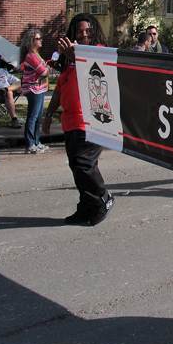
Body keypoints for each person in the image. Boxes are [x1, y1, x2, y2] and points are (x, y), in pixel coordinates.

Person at [42, 13, 115, 226]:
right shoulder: (68, 59)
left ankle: (103, 198)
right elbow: (58, 90)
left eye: (87, 30)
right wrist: (48, 114)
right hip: (70, 120)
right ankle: (87, 207)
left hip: (93, 119)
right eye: (79, 31)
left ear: (95, 31)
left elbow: (96, 72)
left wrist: (73, 56)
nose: (83, 34)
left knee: (84, 164)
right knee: (77, 165)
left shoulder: (100, 52)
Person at [19, 29, 50, 154]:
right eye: (38, 38)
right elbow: (43, 71)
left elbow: (44, 68)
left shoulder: (36, 54)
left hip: (40, 88)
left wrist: (46, 66)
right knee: (32, 117)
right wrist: (47, 67)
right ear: (31, 41)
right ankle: (30, 144)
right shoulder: (30, 56)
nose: (41, 40)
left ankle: (36, 141)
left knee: (38, 117)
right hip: (33, 89)